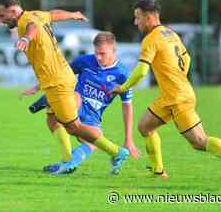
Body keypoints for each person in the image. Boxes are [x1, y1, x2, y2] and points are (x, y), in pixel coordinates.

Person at [110, 0, 221, 180]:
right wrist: (177, 77)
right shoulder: (170, 33)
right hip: (171, 95)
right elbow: (187, 58)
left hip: (177, 98)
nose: (135, 22)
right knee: (145, 127)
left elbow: (142, 71)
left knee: (199, 141)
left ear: (149, 17)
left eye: (138, 17)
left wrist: (123, 87)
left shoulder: (150, 39)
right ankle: (158, 172)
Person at [0, 0, 130, 174]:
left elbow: (32, 28)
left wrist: (26, 38)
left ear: (13, 10)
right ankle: (67, 160)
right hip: (59, 78)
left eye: (2, 15)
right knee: (52, 120)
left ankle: (117, 152)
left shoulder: (27, 22)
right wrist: (73, 15)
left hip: (58, 82)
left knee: (74, 127)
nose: (0, 20)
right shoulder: (35, 14)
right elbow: (53, 14)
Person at [24, 32, 139, 174]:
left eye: (102, 54)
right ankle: (67, 160)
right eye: (96, 53)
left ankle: (107, 154)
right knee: (55, 117)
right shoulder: (85, 61)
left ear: (114, 50)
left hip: (93, 116)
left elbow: (127, 106)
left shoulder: (123, 75)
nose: (98, 57)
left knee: (90, 142)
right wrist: (37, 87)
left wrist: (128, 139)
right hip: (75, 102)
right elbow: (60, 75)